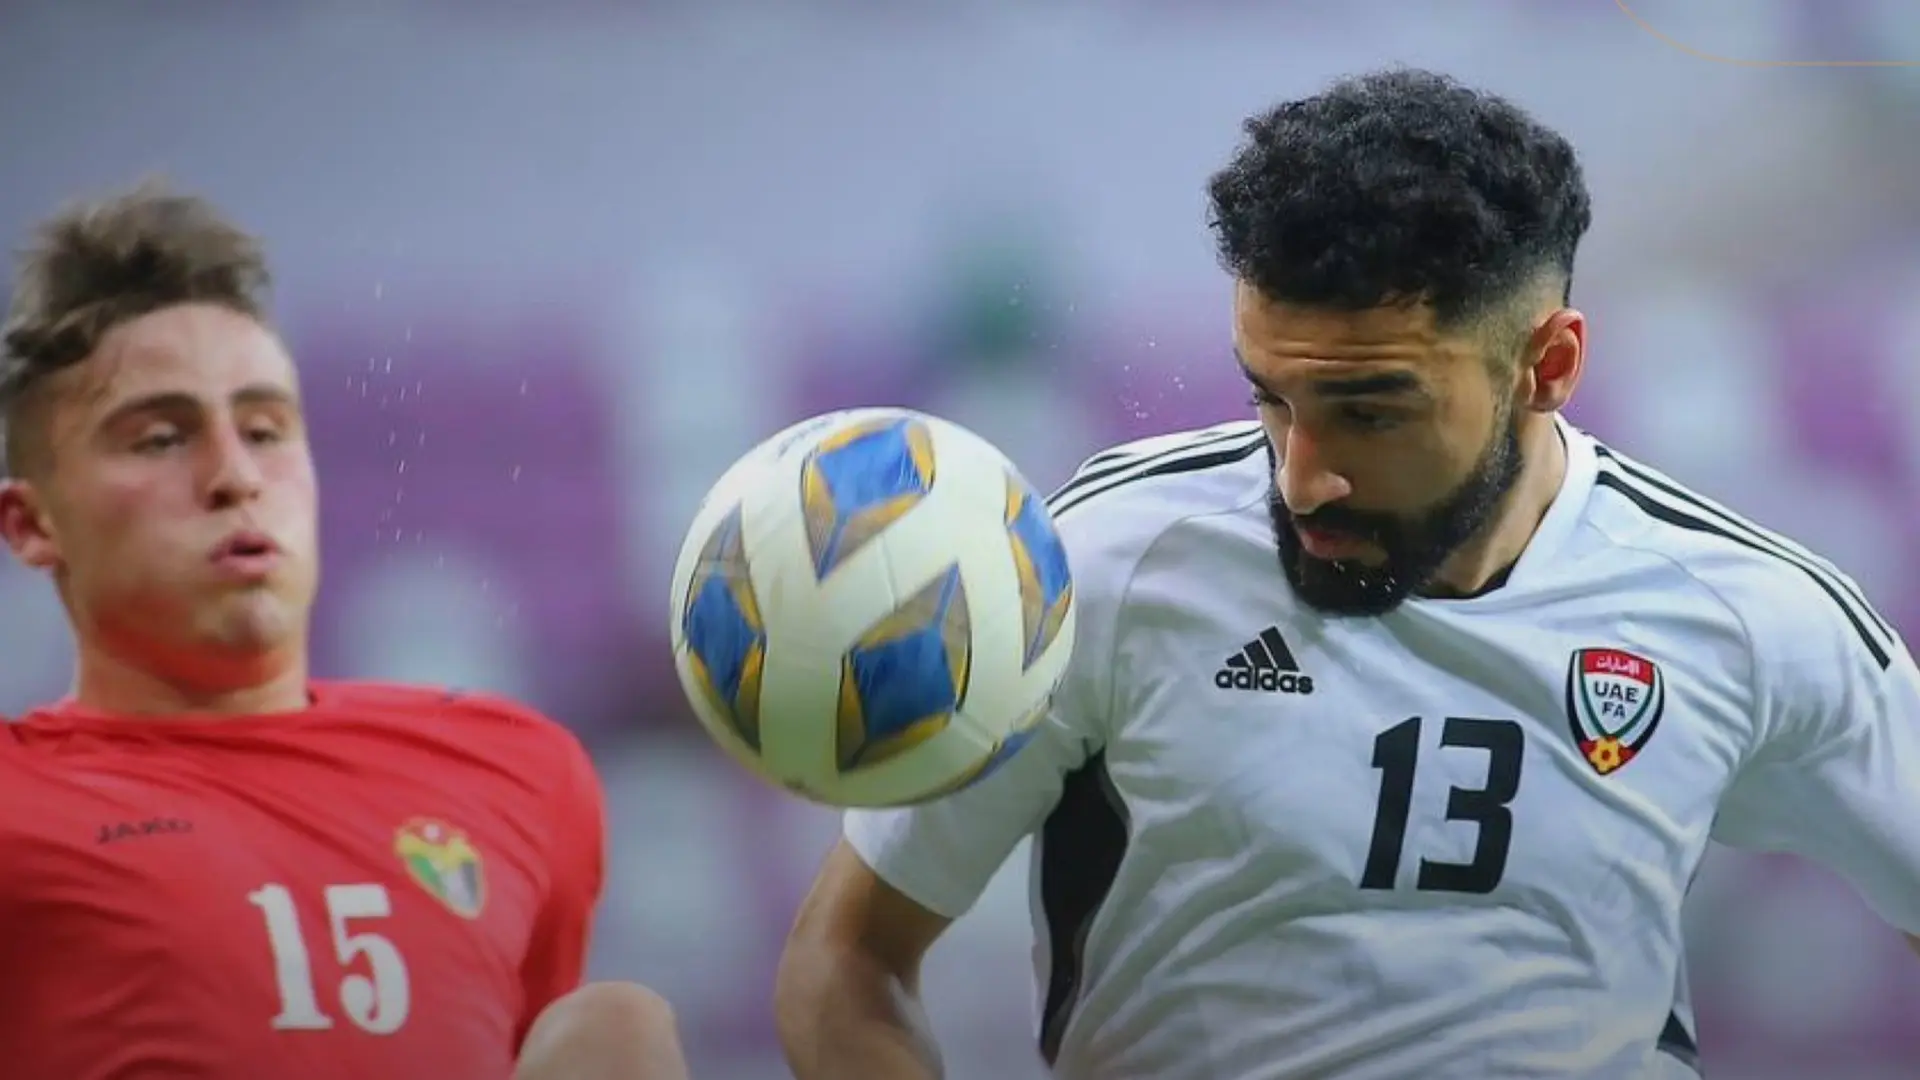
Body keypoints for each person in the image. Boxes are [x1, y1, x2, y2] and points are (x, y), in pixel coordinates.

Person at [774, 67, 1920, 1079]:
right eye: (1272, 398)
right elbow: (848, 960)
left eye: (1371, 412)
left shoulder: (1748, 613)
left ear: (1549, 365)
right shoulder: (1104, 567)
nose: (1302, 477)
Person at [0, 184, 690, 1080]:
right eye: (161, 439)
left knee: (620, 1029)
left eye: (265, 430)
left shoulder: (518, 771)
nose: (235, 476)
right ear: (32, 524)